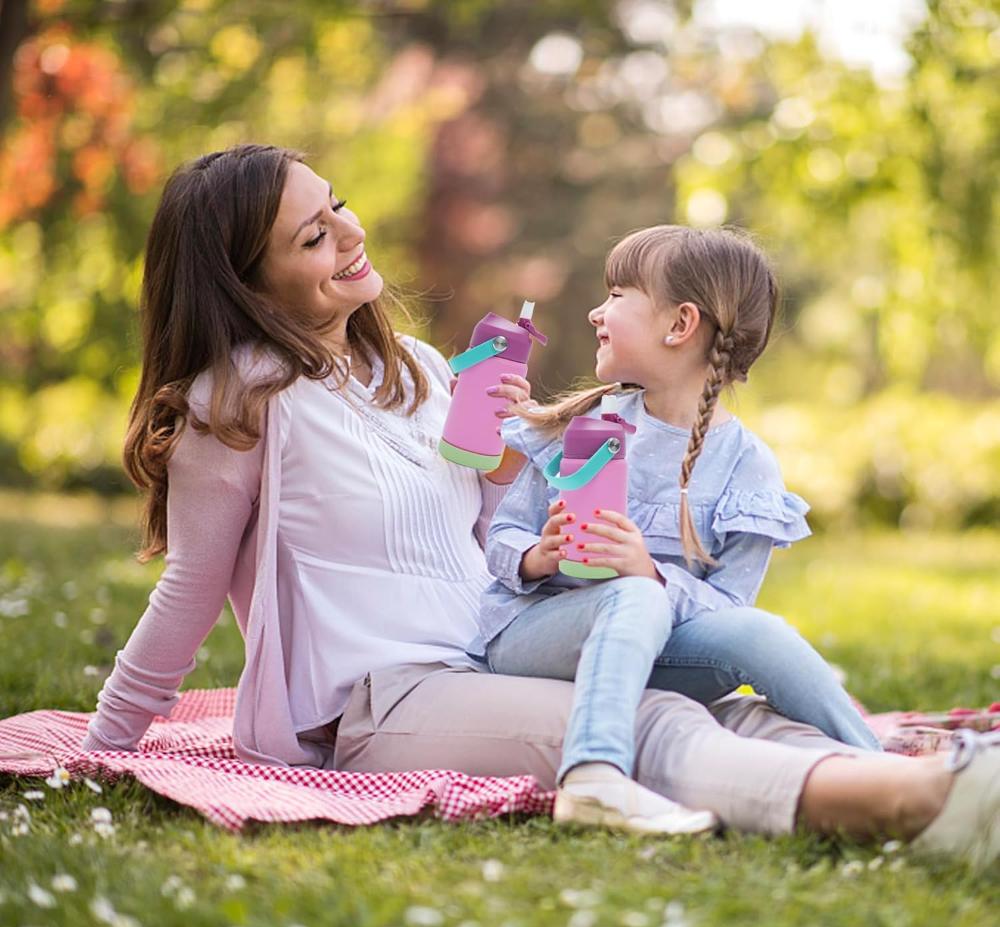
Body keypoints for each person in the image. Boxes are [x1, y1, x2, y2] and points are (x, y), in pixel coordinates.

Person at [81, 144, 998, 866]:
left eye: (338, 206)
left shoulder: (423, 371)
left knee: (721, 697)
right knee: (646, 725)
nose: (349, 235)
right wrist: (102, 744)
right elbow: (192, 585)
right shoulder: (233, 406)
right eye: (312, 238)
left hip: (486, 651)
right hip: (377, 701)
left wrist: (520, 506)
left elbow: (483, 542)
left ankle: (932, 782)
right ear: (246, 282)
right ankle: (904, 808)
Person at [476, 226, 880, 833]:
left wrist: (652, 574)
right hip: (534, 637)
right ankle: (593, 776)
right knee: (634, 596)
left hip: (659, 649)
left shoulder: (746, 465)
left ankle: (879, 766)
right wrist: (540, 554)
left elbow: (727, 611)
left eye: (616, 294)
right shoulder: (581, 425)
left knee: (760, 633)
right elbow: (502, 536)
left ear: (680, 324)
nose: (596, 311)